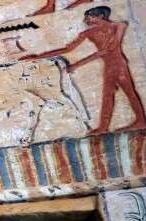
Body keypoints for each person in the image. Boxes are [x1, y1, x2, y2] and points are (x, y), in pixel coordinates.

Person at [21, 6, 146, 135]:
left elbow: (108, 49)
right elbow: (67, 49)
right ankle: (105, 126)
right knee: (108, 94)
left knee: (126, 92)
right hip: (110, 66)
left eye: (89, 17)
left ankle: (137, 121)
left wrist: (77, 65)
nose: (86, 20)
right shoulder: (89, 33)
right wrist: (37, 57)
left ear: (100, 16)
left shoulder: (119, 26)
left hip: (119, 65)